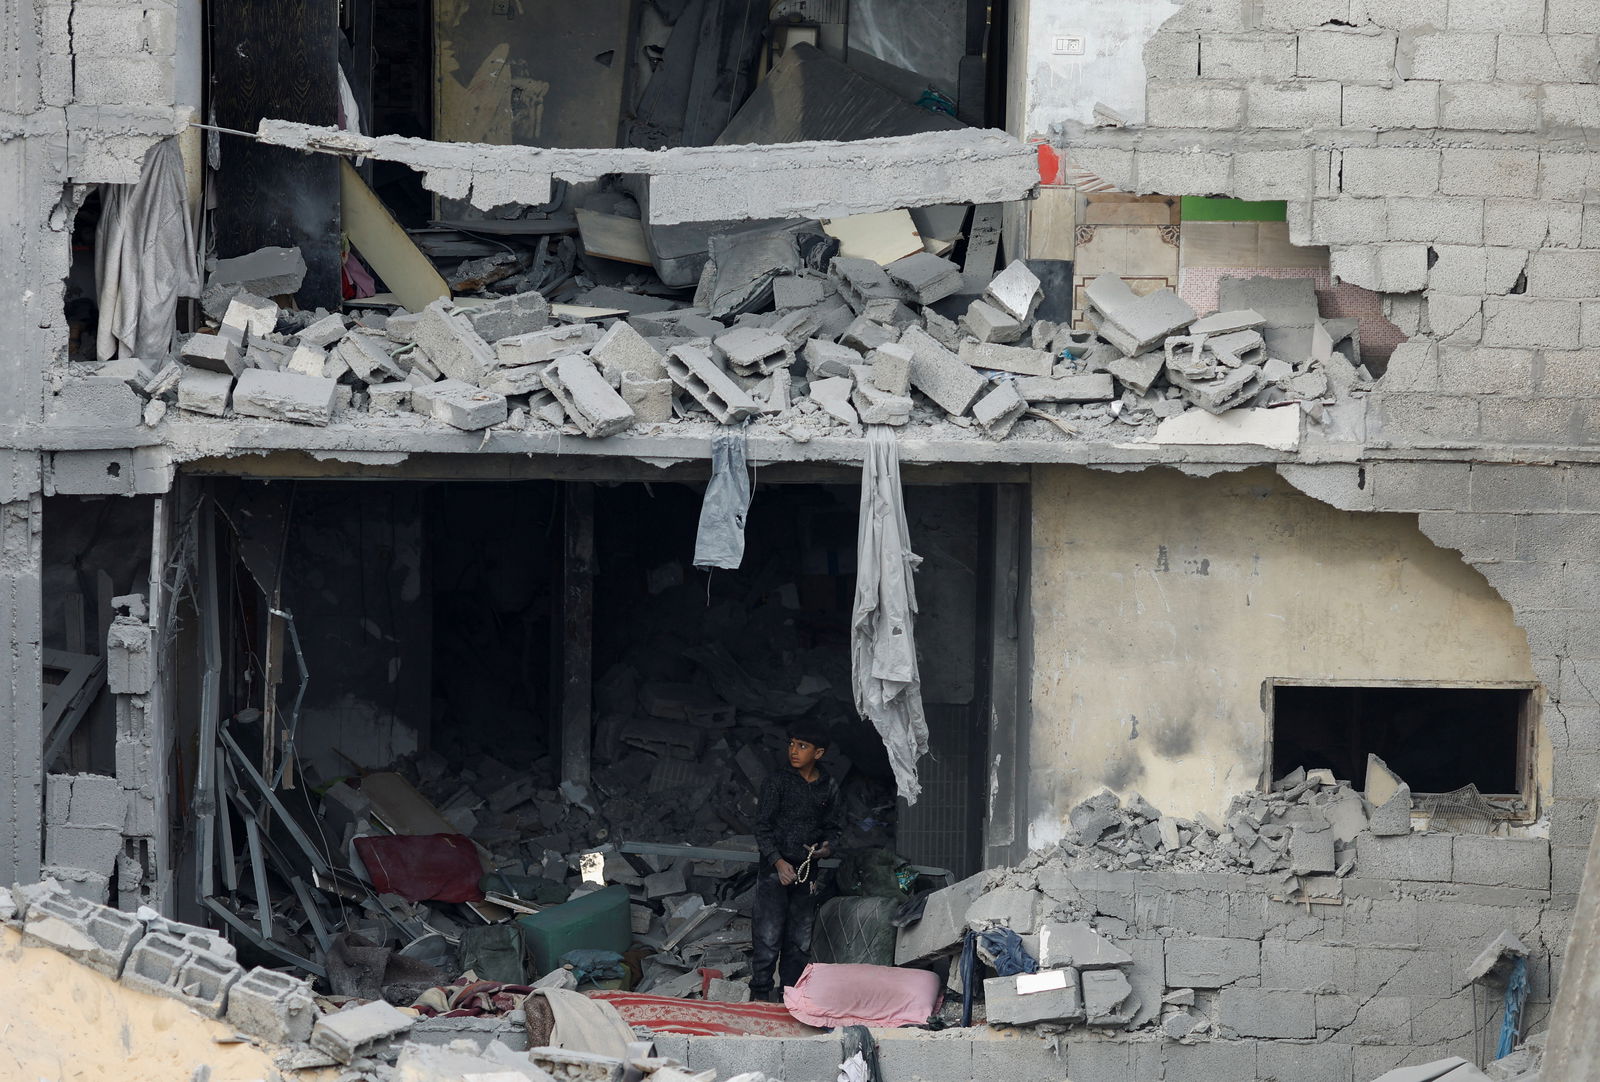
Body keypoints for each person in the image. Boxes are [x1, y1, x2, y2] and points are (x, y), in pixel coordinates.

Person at [749, 726, 844, 1002]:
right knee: (767, 936)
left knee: (799, 941)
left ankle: (790, 997)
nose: (793, 750)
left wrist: (826, 849)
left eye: (802, 746)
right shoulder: (777, 781)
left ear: (819, 752)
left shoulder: (829, 786)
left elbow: (835, 829)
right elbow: (762, 828)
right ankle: (760, 995)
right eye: (792, 743)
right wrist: (778, 863)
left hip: (807, 872)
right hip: (774, 872)